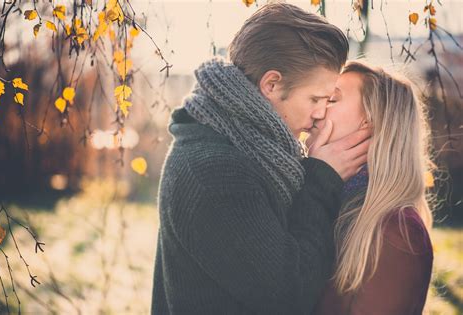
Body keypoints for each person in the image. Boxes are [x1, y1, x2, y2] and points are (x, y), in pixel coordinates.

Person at [151, 4, 371, 314]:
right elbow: (290, 296)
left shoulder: (246, 147)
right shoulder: (216, 171)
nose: (321, 113)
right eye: (315, 99)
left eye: (329, 99)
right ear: (271, 85)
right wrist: (322, 178)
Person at [310, 61, 434, 314]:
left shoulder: (397, 231)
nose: (316, 108)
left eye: (331, 99)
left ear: (371, 121)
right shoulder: (322, 198)